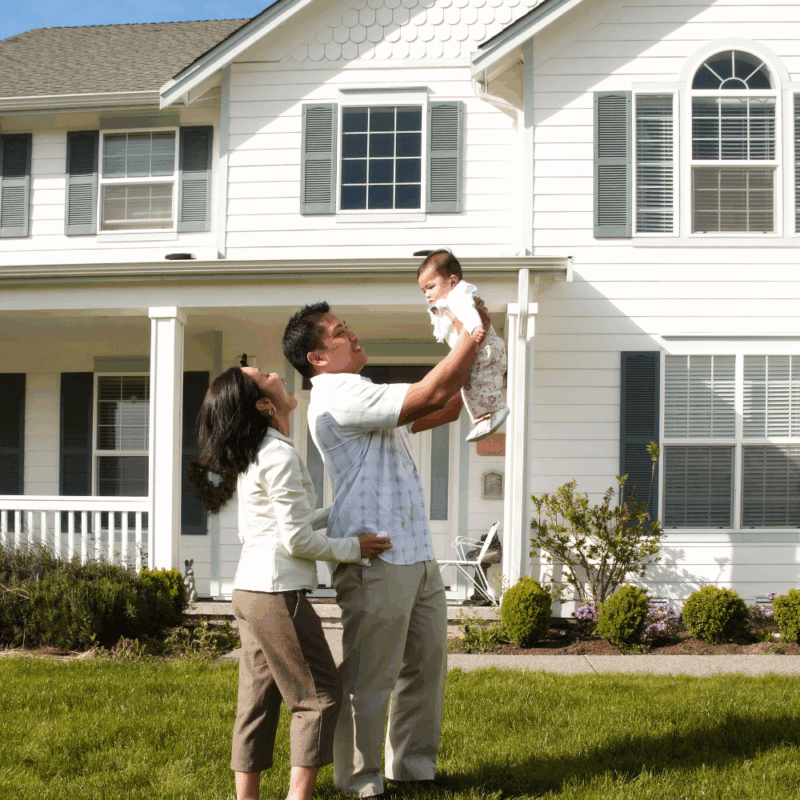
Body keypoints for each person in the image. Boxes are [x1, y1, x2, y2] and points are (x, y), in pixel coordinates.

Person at [282, 299, 490, 799]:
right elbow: (429, 393)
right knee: (369, 679)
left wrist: (480, 367)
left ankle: (414, 770)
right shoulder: (337, 395)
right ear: (318, 358)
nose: (351, 336)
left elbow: (438, 408)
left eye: (346, 328)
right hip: (376, 558)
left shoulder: (363, 394)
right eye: (338, 333)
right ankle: (360, 781)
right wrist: (471, 332)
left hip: (415, 551)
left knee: (425, 665)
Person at [194, 366, 392, 800]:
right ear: (264, 404)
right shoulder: (278, 454)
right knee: (319, 697)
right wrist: (354, 548)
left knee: (257, 702)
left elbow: (281, 527)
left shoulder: (256, 453)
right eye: (264, 376)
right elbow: (297, 539)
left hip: (249, 590)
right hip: (276, 592)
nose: (276, 373)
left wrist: (337, 514)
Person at [417, 249, 509, 442]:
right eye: (424, 290)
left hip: (486, 348)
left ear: (452, 281)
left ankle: (496, 411)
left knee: (482, 384)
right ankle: (483, 419)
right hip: (478, 351)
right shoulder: (445, 303)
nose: (427, 294)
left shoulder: (458, 294)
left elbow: (467, 310)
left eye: (431, 287)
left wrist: (476, 327)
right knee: (469, 386)